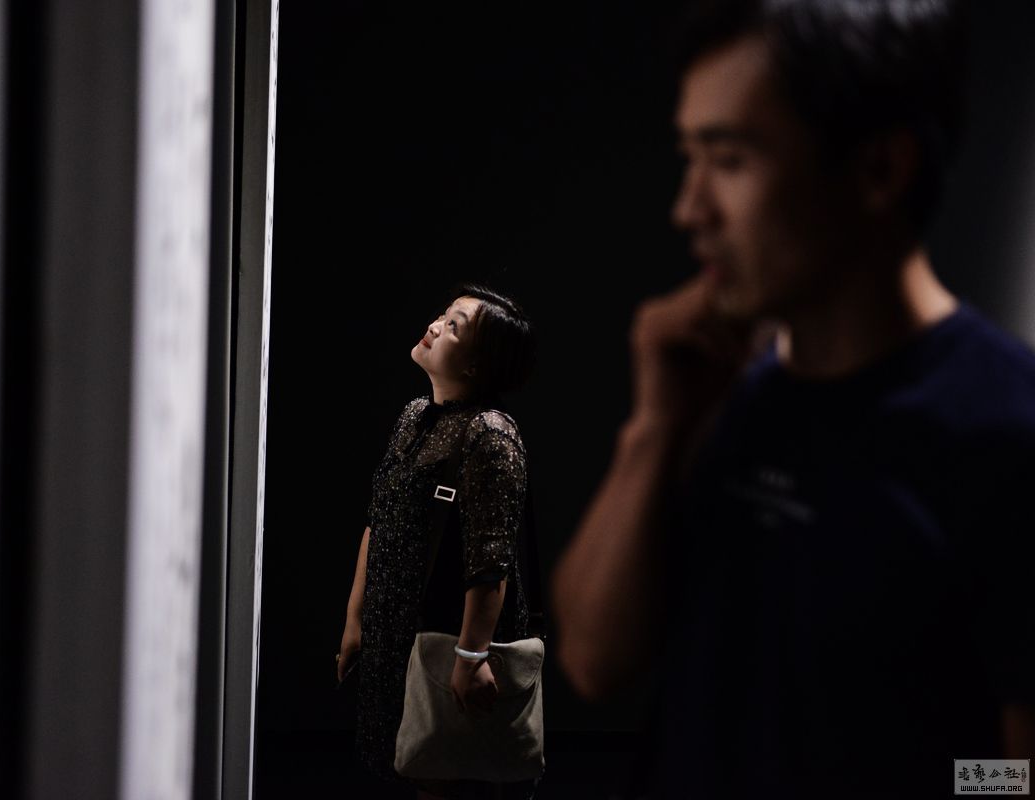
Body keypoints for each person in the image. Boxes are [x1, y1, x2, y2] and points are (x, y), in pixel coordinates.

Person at [552, 1, 1035, 797]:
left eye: (730, 160)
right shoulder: (727, 390)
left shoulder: (1009, 434)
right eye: (689, 157)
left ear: (879, 169)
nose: (688, 209)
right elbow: (593, 661)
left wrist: (930, 778)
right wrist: (656, 429)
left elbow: (1019, 777)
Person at [338, 284, 539, 799]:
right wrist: (356, 621)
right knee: (407, 764)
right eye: (443, 316)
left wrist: (471, 657)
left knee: (443, 773)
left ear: (476, 364)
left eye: (454, 326)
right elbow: (377, 522)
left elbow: (490, 561)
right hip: (393, 635)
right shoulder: (414, 418)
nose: (434, 326)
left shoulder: (490, 434)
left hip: (444, 641)